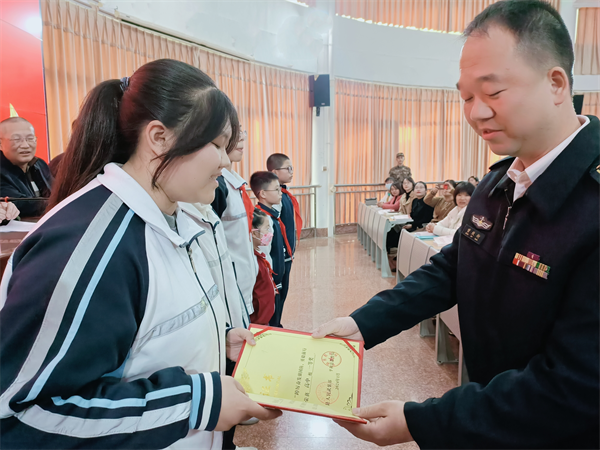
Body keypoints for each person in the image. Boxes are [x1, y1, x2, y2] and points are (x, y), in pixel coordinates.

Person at [312, 1, 600, 448]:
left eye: (493, 92)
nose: (476, 112)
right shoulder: (498, 181)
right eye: (465, 97)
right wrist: (363, 324)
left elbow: (575, 387)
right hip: (491, 417)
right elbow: (454, 268)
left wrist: (420, 421)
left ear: (556, 83)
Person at [0, 59, 281, 450]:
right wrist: (196, 403)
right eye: (216, 144)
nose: (226, 160)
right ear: (159, 137)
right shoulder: (91, 245)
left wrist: (215, 341)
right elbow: (23, 416)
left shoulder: (178, 218)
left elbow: (148, 332)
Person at [211, 128, 256, 318]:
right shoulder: (217, 186)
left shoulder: (236, 183)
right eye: (234, 133)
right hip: (230, 285)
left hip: (245, 280)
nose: (242, 138)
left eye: (242, 132)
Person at [267, 153, 301, 328]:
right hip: (280, 256)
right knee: (278, 293)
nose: (291, 171)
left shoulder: (284, 194)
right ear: (275, 172)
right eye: (288, 168)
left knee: (283, 292)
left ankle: (277, 323)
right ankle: (274, 326)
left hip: (287, 255)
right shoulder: (275, 197)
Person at [250, 171, 287, 328]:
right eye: (276, 189)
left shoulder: (272, 216)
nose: (280, 193)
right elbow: (265, 251)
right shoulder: (263, 220)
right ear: (263, 194)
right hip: (271, 277)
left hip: (276, 276)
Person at [0, 117, 52, 218]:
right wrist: (57, 202)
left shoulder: (39, 164)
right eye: (16, 139)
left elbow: (56, 191)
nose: (25, 145)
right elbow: (20, 204)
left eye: (30, 138)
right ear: (0, 144)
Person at [249, 209, 276, 325]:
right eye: (266, 229)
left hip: (264, 319)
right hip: (257, 322)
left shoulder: (260, 255)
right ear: (255, 233)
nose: (269, 233)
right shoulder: (252, 261)